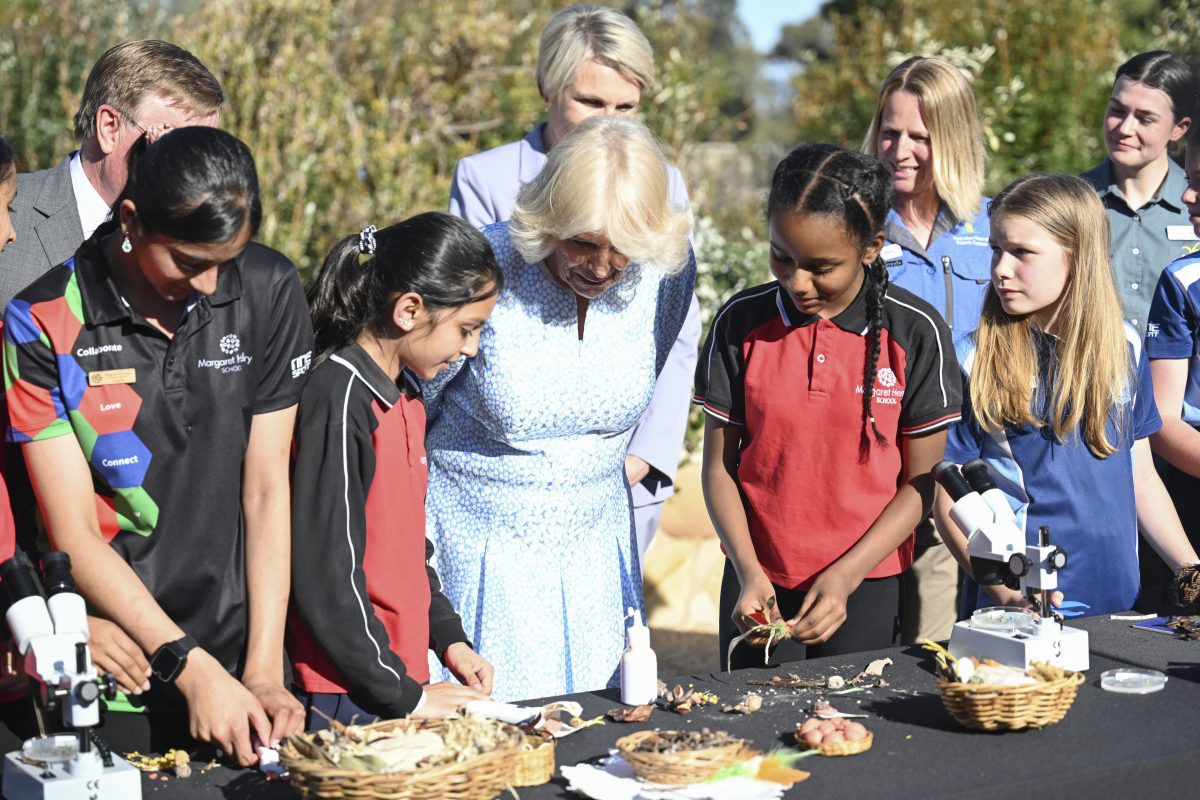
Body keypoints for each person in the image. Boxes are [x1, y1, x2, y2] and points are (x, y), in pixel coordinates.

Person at [3, 127, 312, 763]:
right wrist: (190, 668)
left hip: (245, 658)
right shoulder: (39, 321)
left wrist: (261, 671)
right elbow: (73, 534)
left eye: (226, 261)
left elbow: (265, 488)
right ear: (131, 220)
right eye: (189, 263)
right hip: (117, 676)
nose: (208, 286)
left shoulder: (269, 287)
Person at [424, 115, 694, 701]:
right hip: (477, 552)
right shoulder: (481, 267)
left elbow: (656, 363)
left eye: (622, 249)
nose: (600, 267)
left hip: (599, 557)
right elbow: (412, 405)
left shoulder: (666, 275)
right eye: (582, 242)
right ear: (546, 221)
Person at [449, 4, 700, 564]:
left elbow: (677, 331)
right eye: (589, 102)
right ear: (547, 88)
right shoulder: (486, 180)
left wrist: (646, 455)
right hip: (507, 474)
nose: (607, 121)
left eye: (626, 107)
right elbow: (467, 333)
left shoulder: (665, 182)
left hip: (622, 468)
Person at [696, 144, 961, 668]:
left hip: (864, 584)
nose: (797, 281)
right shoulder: (740, 322)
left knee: (849, 732)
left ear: (872, 247)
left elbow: (922, 482)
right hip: (756, 583)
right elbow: (718, 468)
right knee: (747, 734)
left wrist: (845, 576)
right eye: (782, 257)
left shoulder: (917, 331)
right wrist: (749, 570)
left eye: (821, 267)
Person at [935, 174, 1199, 618]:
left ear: (1077, 257)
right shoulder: (972, 357)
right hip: (1021, 607)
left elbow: (1141, 476)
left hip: (1121, 602)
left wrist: (1191, 569)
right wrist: (1008, 594)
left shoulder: (1124, 345)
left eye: (1022, 252)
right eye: (997, 249)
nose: (1000, 268)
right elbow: (949, 497)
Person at [288, 214, 500, 729]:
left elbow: (406, 549)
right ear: (409, 310)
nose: (470, 349)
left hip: (395, 683)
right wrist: (403, 694)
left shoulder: (406, 396)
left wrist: (448, 637)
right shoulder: (337, 398)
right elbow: (326, 573)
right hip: (341, 690)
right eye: (466, 329)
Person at [861, 55, 992, 644]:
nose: (900, 149)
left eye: (921, 136)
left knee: (974, 638)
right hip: (892, 473)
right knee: (900, 645)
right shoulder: (857, 227)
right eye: (890, 132)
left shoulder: (992, 228)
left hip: (977, 472)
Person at [0, 39, 223, 309]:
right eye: (173, 145)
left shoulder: (212, 242)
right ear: (109, 128)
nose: (194, 171)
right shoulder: (11, 215)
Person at [1081, 51, 1197, 333]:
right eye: (1117, 111)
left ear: (1179, 129)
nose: (1125, 128)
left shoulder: (1193, 206)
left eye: (1145, 119)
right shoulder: (1072, 202)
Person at [1144, 118, 1200, 610]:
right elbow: (1162, 420)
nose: (1187, 196)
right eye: (1189, 180)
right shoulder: (1182, 280)